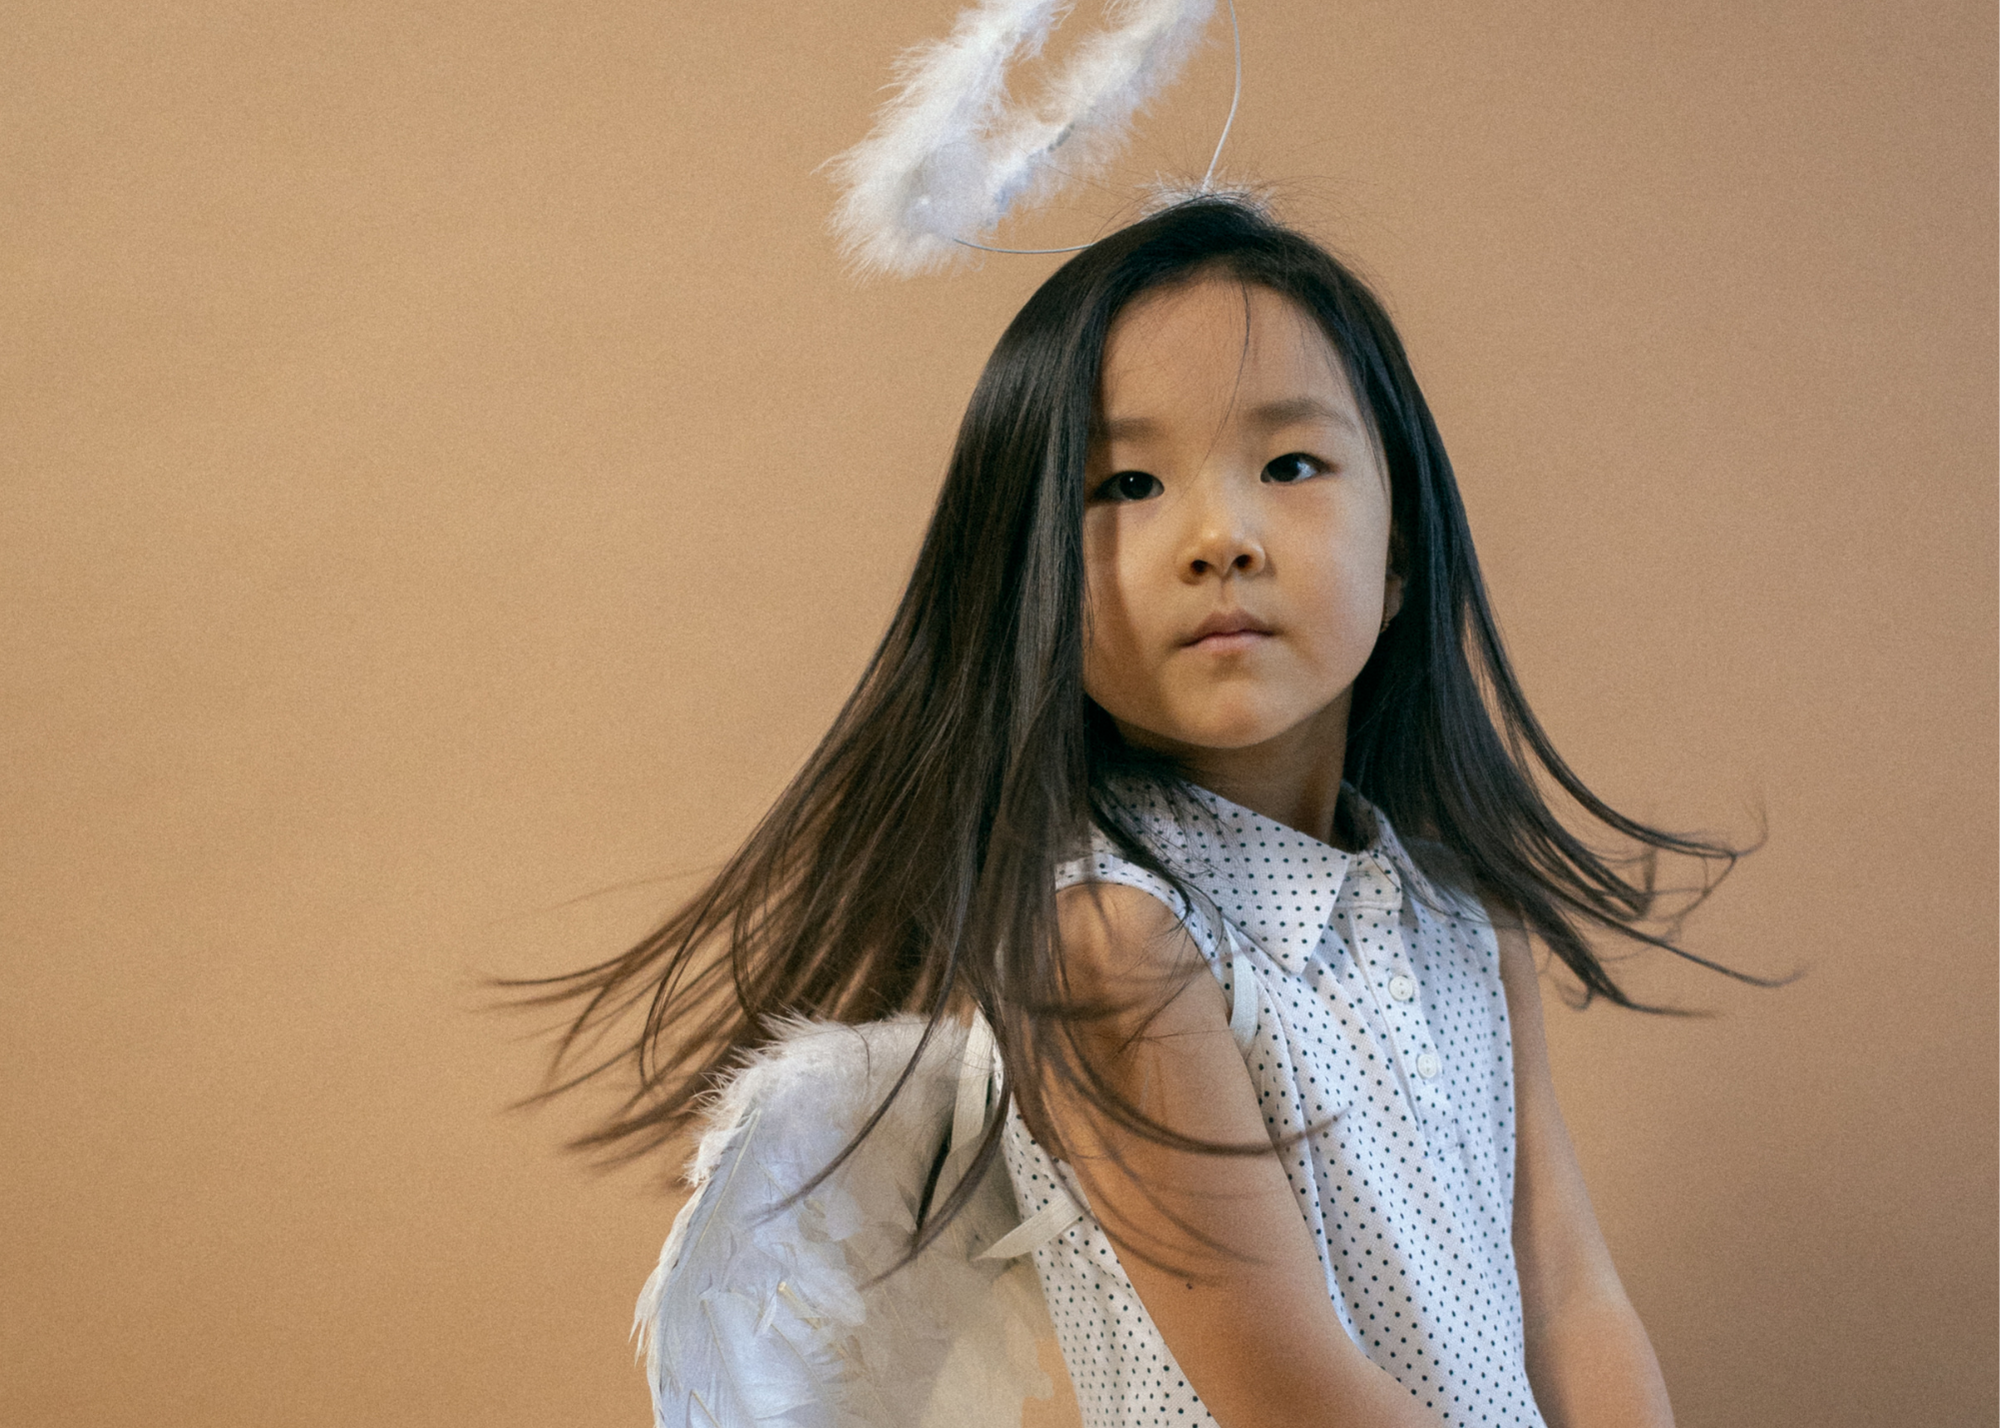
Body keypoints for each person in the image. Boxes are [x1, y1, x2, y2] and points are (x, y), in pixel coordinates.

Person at [522, 195, 1751, 1426]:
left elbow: (1566, 1294)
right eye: (1125, 482)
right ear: (1029, 585)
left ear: (1397, 557)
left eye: (1288, 464)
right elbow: (1286, 1392)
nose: (1219, 537)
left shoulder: (1467, 929)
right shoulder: (1110, 950)